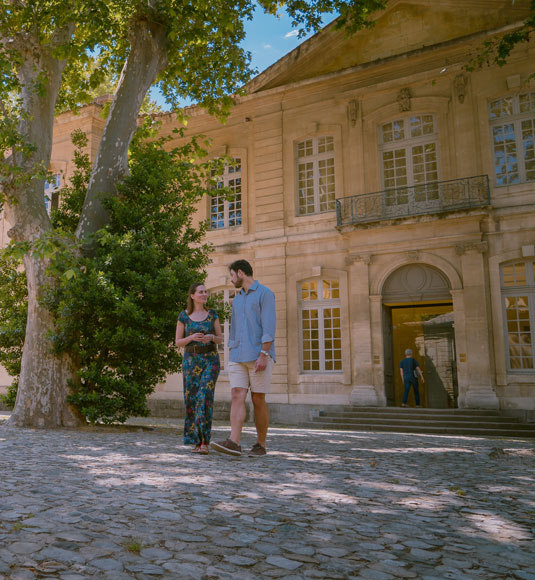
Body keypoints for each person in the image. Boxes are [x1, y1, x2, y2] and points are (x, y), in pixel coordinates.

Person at [211, 259, 276, 457]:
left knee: (258, 399)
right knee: (237, 395)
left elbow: (269, 326)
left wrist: (264, 354)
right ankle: (234, 442)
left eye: (232, 276)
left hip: (259, 355)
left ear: (240, 273)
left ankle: (260, 444)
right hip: (238, 355)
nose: (231, 280)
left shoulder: (265, 294)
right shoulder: (237, 299)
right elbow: (237, 328)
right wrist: (231, 350)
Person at [175, 283, 223, 454]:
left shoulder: (212, 315)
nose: (204, 294)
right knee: (192, 400)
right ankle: (196, 442)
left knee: (204, 398)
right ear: (193, 296)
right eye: (201, 292)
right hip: (190, 361)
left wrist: (211, 337)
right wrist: (191, 337)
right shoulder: (184, 316)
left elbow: (220, 338)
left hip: (210, 360)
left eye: (205, 292)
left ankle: (205, 442)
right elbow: (178, 342)